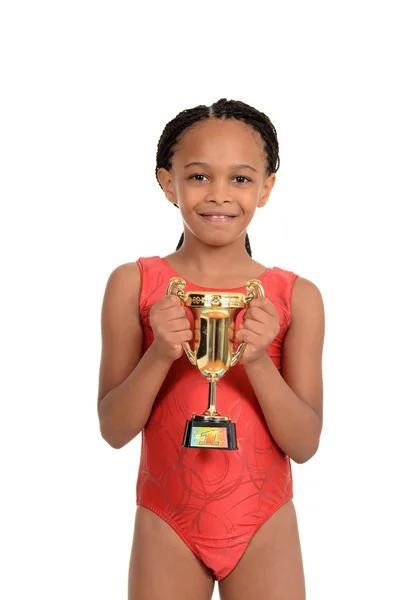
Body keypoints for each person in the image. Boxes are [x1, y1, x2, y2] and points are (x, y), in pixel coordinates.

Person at [97, 98, 325, 600]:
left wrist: (260, 360)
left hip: (264, 523)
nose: (219, 195)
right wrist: (159, 353)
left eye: (241, 179)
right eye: (199, 176)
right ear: (166, 182)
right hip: (166, 521)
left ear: (266, 188)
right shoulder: (133, 284)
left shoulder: (294, 297)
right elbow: (114, 430)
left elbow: (305, 444)